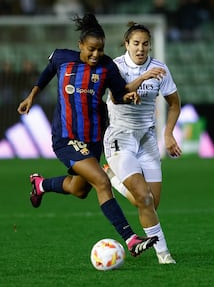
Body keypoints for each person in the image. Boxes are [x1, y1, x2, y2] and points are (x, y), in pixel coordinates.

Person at [17, 14, 166, 258]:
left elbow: (119, 93)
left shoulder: (108, 66)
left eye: (100, 49)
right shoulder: (62, 58)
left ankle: (40, 184)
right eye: (91, 50)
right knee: (102, 182)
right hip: (66, 138)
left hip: (94, 140)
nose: (96, 55)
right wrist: (31, 96)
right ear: (80, 46)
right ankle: (130, 239)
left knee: (79, 189)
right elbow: (45, 75)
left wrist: (134, 88)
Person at [103, 22, 182, 264]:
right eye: (135, 43)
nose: (141, 49)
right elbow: (117, 97)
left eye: (145, 44)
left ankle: (113, 179)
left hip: (146, 138)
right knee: (144, 199)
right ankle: (164, 254)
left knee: (151, 203)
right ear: (126, 44)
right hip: (120, 137)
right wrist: (143, 78)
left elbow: (174, 103)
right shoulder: (115, 66)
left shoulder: (160, 68)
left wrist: (168, 134)